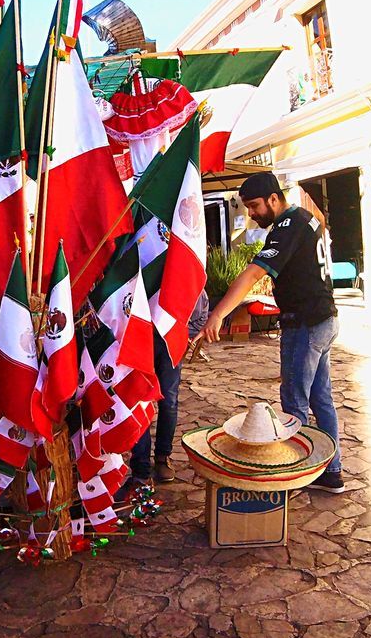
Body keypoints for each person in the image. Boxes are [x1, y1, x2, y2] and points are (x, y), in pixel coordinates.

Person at [201, 172, 344, 493]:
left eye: (254, 206)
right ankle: (331, 472)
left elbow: (253, 274)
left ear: (274, 199)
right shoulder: (308, 219)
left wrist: (219, 314)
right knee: (322, 400)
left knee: (294, 404)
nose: (250, 214)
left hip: (305, 325)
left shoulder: (287, 227)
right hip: (324, 320)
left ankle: (291, 478)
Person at [131, 289, 209, 486]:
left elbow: (201, 313)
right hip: (139, 339)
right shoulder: (143, 265)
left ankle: (162, 457)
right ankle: (140, 468)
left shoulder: (180, 266)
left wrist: (179, 336)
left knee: (169, 401)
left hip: (170, 344)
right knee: (138, 401)